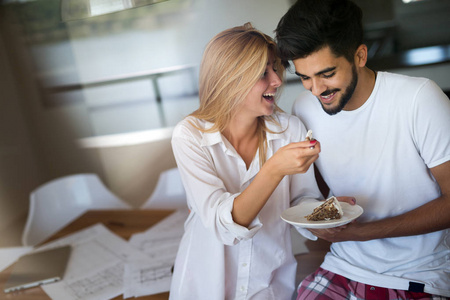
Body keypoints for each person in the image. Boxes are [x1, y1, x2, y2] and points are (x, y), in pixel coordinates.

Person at [275, 0, 450, 299]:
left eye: (327, 73)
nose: (316, 89)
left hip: (420, 272)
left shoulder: (419, 98)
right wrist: (322, 221)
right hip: (345, 264)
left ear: (359, 55)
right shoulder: (304, 108)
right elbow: (314, 193)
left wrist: (360, 233)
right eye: (304, 77)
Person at [169, 23, 329, 300]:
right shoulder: (190, 136)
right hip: (205, 284)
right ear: (230, 78)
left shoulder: (290, 129)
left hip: (269, 283)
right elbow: (225, 226)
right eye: (263, 72)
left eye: (275, 68)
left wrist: (327, 213)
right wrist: (274, 169)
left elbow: (302, 202)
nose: (277, 81)